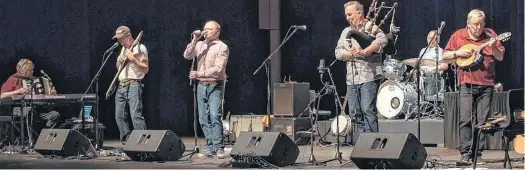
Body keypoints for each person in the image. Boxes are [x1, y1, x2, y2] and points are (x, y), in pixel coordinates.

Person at [442, 9, 505, 165]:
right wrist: (458, 53)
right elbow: (445, 55)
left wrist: (494, 44)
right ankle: (465, 153)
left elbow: (500, 56)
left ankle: (478, 153)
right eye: (475, 25)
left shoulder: (490, 34)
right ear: (468, 24)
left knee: (482, 121)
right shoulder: (458, 35)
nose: (478, 28)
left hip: (487, 84)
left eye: (481, 24)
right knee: (465, 119)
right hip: (467, 83)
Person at [335, 1, 387, 141]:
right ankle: (362, 143)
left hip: (368, 75)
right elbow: (338, 52)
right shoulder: (345, 32)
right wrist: (350, 54)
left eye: (350, 14)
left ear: (360, 13)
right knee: (355, 112)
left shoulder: (370, 27)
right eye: (346, 15)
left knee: (368, 110)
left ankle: (373, 144)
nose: (348, 17)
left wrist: (364, 51)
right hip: (351, 78)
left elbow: (382, 41)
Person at [183, 20, 229, 158]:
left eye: (209, 29)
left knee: (215, 115)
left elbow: (218, 69)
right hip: (201, 85)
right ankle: (210, 146)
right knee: (203, 118)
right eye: (205, 29)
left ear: (217, 32)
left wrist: (199, 74)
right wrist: (195, 39)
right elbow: (187, 55)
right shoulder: (199, 44)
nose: (206, 31)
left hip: (215, 84)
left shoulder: (222, 47)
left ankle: (219, 146)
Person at [1, 59, 60, 136]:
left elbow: (40, 96)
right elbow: (1, 95)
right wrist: (17, 91)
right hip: (20, 110)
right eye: (30, 70)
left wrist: (51, 94)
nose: (33, 71)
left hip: (37, 109)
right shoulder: (13, 79)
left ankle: (43, 137)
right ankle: (33, 139)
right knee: (32, 114)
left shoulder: (34, 80)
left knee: (55, 115)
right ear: (23, 70)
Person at [112, 26, 149, 145]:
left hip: (133, 85)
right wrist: (119, 62)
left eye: (121, 38)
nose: (120, 41)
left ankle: (143, 143)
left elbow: (145, 68)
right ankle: (127, 143)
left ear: (128, 36)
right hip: (121, 85)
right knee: (119, 116)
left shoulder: (140, 47)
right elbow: (120, 70)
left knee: (135, 115)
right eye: (118, 39)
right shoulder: (123, 49)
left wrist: (133, 59)